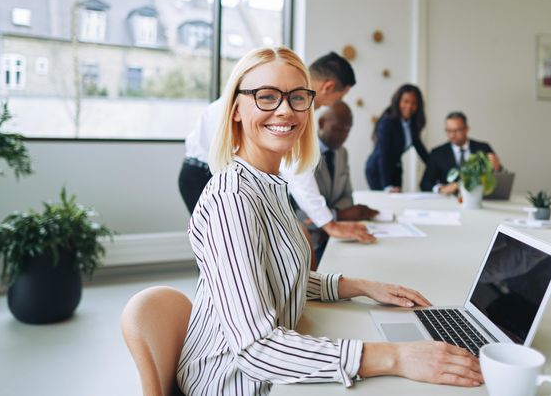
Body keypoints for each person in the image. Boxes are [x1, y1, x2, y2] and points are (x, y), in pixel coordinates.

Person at [176, 46, 482, 395]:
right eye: (266, 97)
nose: (285, 110)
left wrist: (362, 286)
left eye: (297, 98)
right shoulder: (233, 201)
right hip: (231, 383)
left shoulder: (266, 184)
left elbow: (278, 278)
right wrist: (398, 357)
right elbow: (256, 350)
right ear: (235, 110)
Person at [178, 52, 375, 244]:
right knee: (221, 246)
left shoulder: (297, 107)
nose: (284, 110)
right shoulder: (229, 192)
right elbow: (297, 173)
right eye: (340, 97)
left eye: (296, 97)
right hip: (202, 173)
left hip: (235, 174)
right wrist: (329, 224)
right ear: (328, 87)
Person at [296, 101, 378, 267]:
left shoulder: (342, 153)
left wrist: (338, 214)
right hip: (309, 243)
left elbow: (347, 196)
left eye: (348, 130)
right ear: (321, 123)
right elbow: (299, 212)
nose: (343, 135)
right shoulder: (302, 153)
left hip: (339, 237)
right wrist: (338, 216)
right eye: (339, 129)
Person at [364, 84, 430, 192]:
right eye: (406, 101)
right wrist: (387, 185)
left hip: (396, 168)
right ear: (398, 101)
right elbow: (383, 154)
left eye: (414, 103)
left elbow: (420, 149)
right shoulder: (387, 122)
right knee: (386, 203)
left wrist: (437, 167)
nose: (409, 106)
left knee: (398, 202)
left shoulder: (411, 124)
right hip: (378, 169)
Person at [420, 111, 502, 194]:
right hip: (448, 200)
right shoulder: (437, 153)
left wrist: (497, 168)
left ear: (467, 129)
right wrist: (441, 189)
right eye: (448, 131)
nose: (452, 135)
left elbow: (501, 176)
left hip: (478, 197)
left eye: (457, 130)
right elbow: (425, 183)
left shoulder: (483, 148)